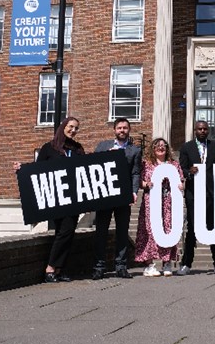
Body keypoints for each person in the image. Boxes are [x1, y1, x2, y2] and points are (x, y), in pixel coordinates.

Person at [23, 116, 84, 283]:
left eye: (76, 128)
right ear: (63, 127)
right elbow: (37, 170)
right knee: (64, 231)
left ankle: (59, 269)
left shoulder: (78, 149)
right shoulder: (49, 148)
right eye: (70, 127)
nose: (73, 130)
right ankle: (50, 268)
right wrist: (21, 168)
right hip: (55, 198)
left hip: (74, 199)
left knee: (67, 233)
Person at [177, 120, 215, 275]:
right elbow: (182, 168)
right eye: (200, 129)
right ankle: (186, 263)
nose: (202, 131)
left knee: (213, 227)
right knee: (192, 229)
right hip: (193, 194)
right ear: (195, 130)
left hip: (210, 193)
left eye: (205, 129)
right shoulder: (187, 147)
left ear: (208, 131)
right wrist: (189, 172)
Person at [92, 118, 142, 280]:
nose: (122, 130)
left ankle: (121, 266)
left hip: (123, 195)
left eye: (125, 128)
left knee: (122, 232)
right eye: (119, 128)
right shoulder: (103, 146)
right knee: (101, 232)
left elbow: (135, 173)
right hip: (105, 195)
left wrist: (134, 192)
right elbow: (93, 166)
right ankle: (99, 267)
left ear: (129, 130)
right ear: (114, 130)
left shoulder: (134, 150)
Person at [136, 138, 183, 277]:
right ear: (153, 148)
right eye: (158, 145)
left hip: (169, 201)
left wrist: (181, 185)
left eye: (164, 145)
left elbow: (181, 180)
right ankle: (150, 264)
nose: (161, 148)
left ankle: (166, 262)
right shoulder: (146, 164)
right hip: (151, 201)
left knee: (168, 229)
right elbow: (139, 180)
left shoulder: (174, 164)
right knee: (150, 231)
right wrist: (145, 184)